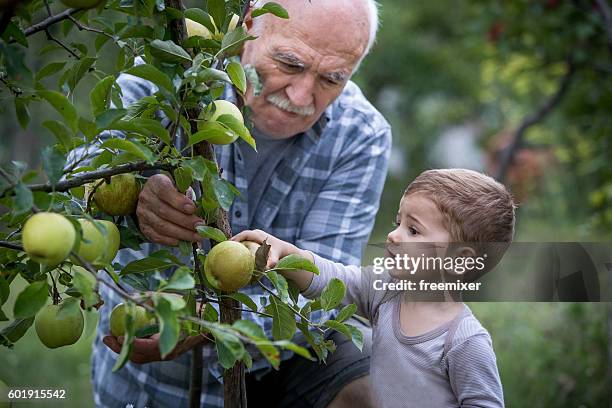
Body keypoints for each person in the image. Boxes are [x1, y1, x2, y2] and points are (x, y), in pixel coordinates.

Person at [91, 0, 391, 407]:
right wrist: (130, 190)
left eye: (332, 78)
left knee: (381, 376)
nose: (302, 94)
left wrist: (210, 317)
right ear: (249, 26)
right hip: (146, 384)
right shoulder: (168, 77)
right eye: (290, 63)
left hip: (273, 370)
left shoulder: (361, 133)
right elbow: (80, 170)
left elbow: (326, 294)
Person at [233, 168, 516, 407]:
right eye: (398, 222)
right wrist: (285, 253)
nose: (393, 235)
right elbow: (335, 279)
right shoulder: (386, 291)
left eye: (413, 230)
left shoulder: (464, 341)